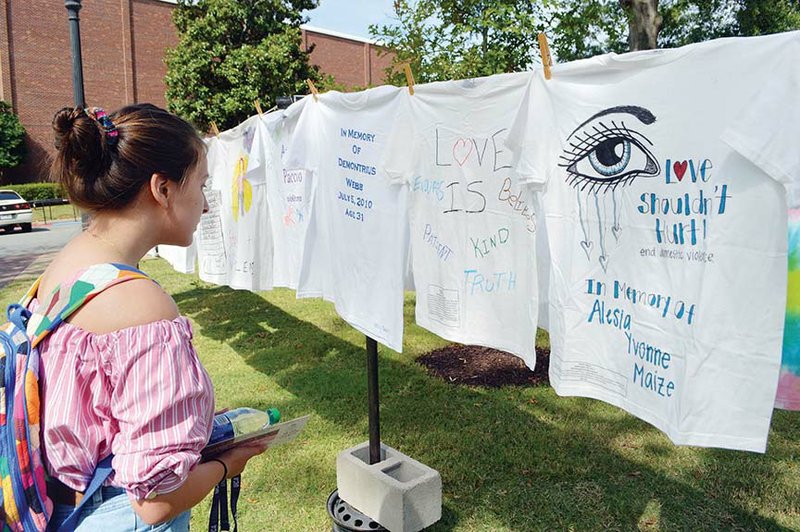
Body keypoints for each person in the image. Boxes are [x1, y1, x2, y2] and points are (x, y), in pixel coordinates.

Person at [36, 104, 267, 530]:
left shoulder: (67, 265)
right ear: (162, 188)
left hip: (57, 509)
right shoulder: (141, 308)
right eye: (201, 185)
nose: (206, 207)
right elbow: (155, 501)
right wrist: (227, 465)